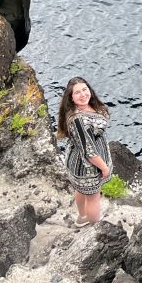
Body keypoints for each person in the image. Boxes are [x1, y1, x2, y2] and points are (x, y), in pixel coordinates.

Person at [56, 76, 113, 226]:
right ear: (71, 98)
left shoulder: (89, 106)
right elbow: (89, 151)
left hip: (76, 159)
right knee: (94, 197)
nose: (83, 95)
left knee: (80, 190)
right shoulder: (77, 120)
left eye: (84, 90)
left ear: (89, 90)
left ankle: (82, 217)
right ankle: (96, 228)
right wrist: (104, 168)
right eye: (77, 93)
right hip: (86, 167)